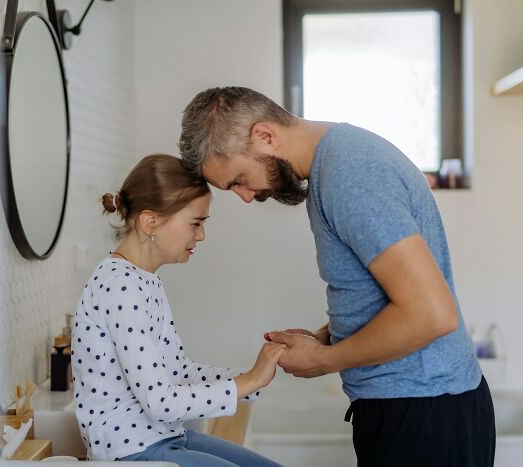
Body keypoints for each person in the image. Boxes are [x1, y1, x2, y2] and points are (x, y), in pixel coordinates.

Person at [178, 87, 496, 466]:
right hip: (415, 405)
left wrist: (325, 360)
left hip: (422, 411)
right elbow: (387, 294)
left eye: (238, 180)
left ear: (265, 135)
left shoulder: (349, 175)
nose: (246, 197)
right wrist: (325, 337)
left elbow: (431, 314)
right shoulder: (337, 164)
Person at [71, 154, 285, 466]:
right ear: (150, 222)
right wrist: (247, 382)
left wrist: (252, 377)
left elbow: (176, 372)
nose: (201, 236)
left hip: (162, 437)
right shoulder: (120, 286)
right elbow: (160, 402)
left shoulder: (143, 280)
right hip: (132, 452)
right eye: (196, 223)